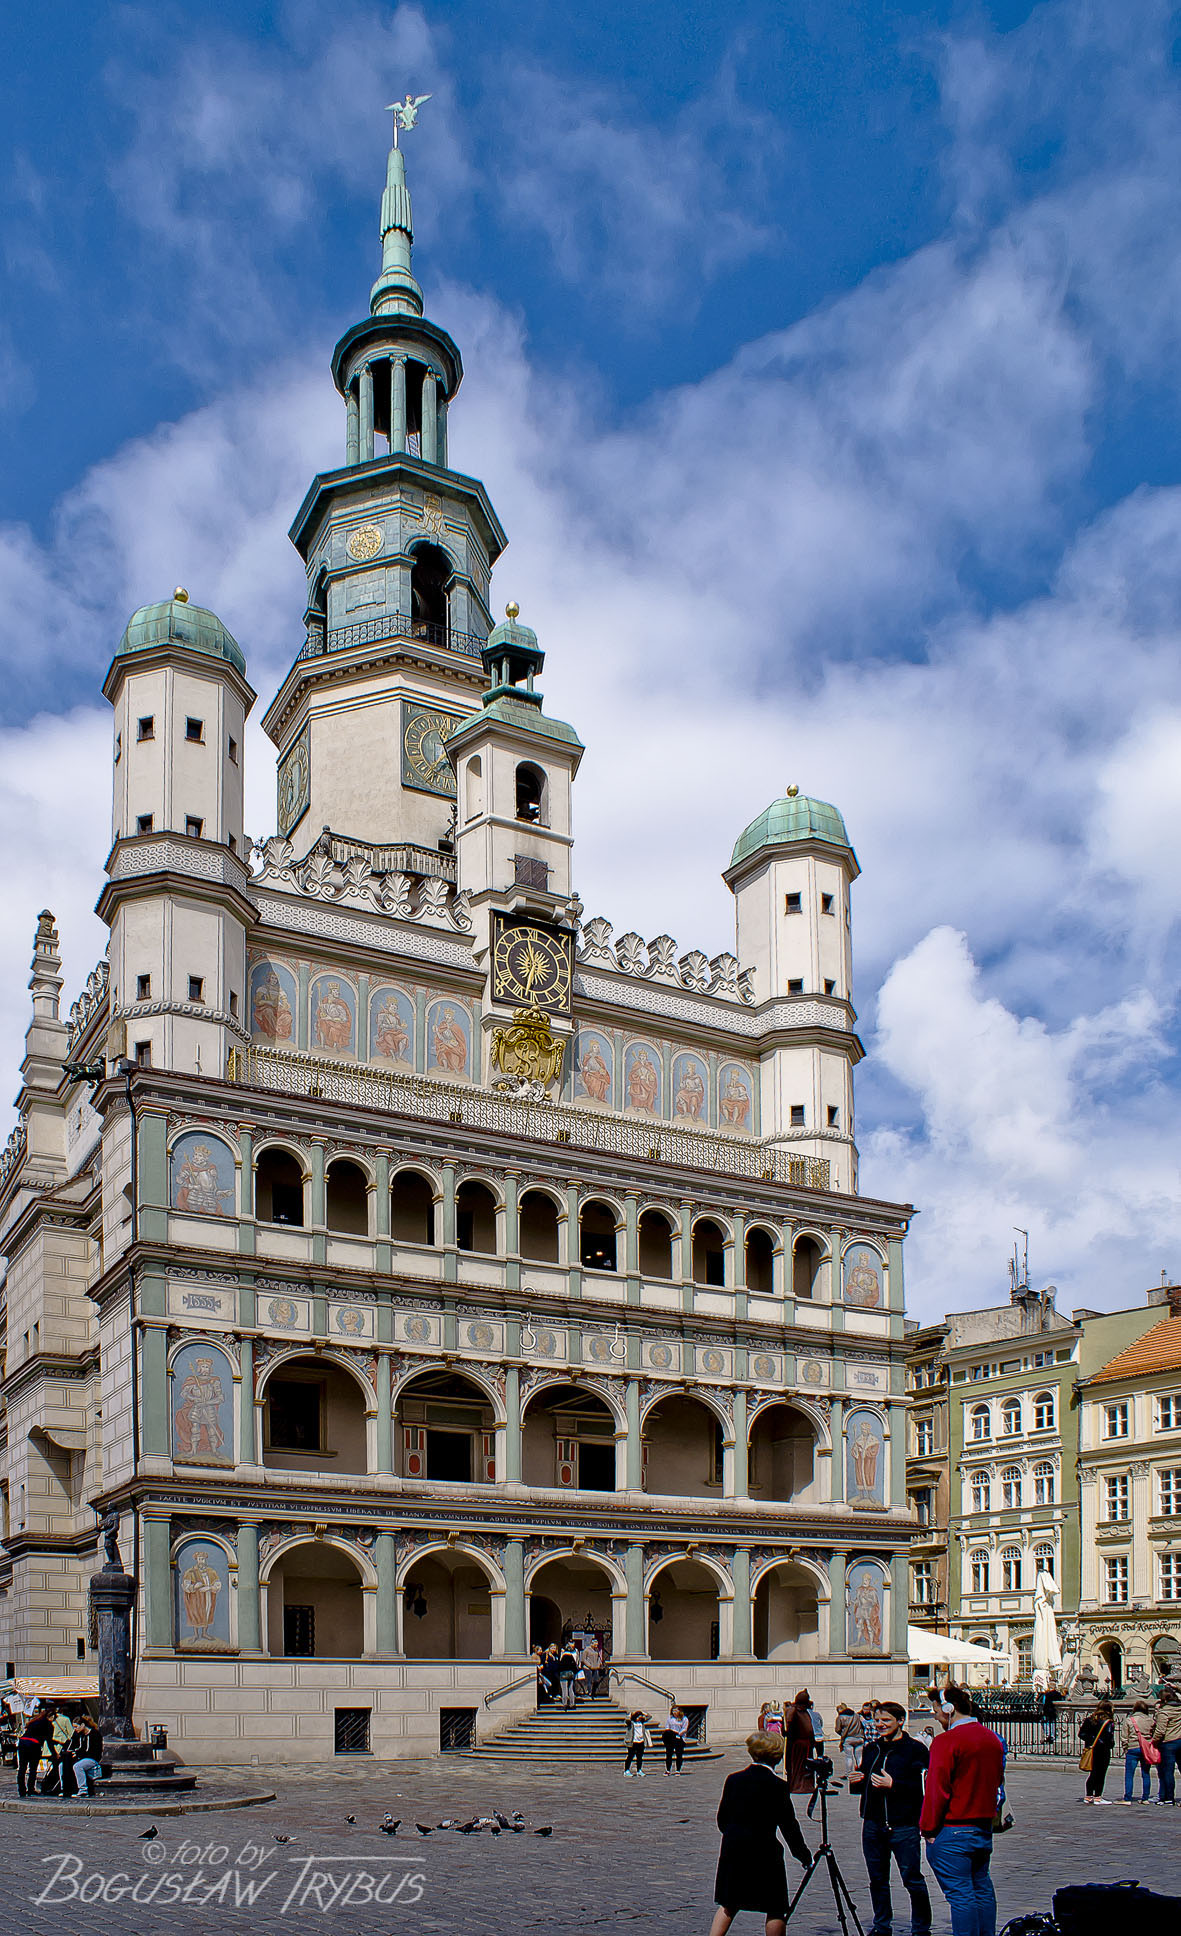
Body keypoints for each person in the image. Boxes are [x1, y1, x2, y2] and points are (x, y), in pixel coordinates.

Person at [919, 1682, 1005, 1936]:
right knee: (982, 1889)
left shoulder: (947, 1741)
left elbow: (937, 1789)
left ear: (949, 1708)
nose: (935, 1716)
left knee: (961, 1896)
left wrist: (927, 1828)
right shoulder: (991, 1737)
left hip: (953, 1827)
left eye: (936, 1710)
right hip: (982, 1826)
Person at [709, 1730, 812, 1936]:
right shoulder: (778, 1786)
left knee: (729, 1903)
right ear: (778, 1756)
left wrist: (734, 1835)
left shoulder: (733, 1779)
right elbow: (789, 1826)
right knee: (775, 1907)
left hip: (734, 1849)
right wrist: (803, 1856)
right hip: (764, 1852)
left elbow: (722, 1819)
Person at [850, 1701, 932, 1936]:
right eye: (877, 1720)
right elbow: (867, 1781)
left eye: (886, 1720)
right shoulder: (872, 1748)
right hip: (873, 1823)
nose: (880, 1725)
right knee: (877, 1880)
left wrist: (894, 1784)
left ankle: (921, 1928)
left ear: (900, 1721)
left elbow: (923, 1787)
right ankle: (882, 1925)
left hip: (903, 1825)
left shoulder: (915, 1749)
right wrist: (858, 1780)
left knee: (912, 1879)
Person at [16, 1702, 58, 1800]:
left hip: (23, 1743)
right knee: (32, 1769)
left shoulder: (35, 1721)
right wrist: (55, 1754)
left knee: (22, 1768)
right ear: (51, 1717)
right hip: (33, 1745)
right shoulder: (49, 1725)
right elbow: (49, 1741)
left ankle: (21, 1790)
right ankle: (31, 1789)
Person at [1117, 1699, 1155, 1805]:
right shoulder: (1150, 1720)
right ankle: (1145, 1798)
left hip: (1133, 1748)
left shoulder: (1129, 1720)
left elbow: (1124, 1737)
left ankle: (1127, 1798)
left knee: (1129, 1774)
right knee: (1146, 1773)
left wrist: (1126, 1748)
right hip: (1146, 1749)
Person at [1149, 1686, 1181, 1803]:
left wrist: (1154, 1741)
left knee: (1168, 1771)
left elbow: (1160, 1731)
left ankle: (1169, 1797)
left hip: (1168, 1743)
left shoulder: (1164, 1712)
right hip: (1180, 1740)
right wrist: (1177, 1688)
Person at [1079, 1699, 1114, 1804]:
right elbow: (1109, 1737)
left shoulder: (1090, 1719)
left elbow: (1081, 1734)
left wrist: (1092, 1740)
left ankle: (1088, 1795)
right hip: (1103, 1750)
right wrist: (1105, 1743)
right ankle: (1098, 1796)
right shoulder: (1108, 1722)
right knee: (1101, 1774)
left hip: (1091, 1748)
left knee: (1093, 1773)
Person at [784, 1688, 816, 1794]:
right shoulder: (794, 1711)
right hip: (797, 1745)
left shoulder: (805, 1712)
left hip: (806, 1744)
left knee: (806, 1766)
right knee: (798, 1766)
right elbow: (789, 1724)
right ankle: (797, 1786)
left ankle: (806, 1785)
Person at [67, 1716, 104, 1801]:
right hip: (83, 1758)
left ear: (83, 1725)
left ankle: (83, 1790)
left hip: (92, 1758)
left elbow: (92, 1751)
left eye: (76, 1727)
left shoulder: (94, 1734)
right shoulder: (80, 1735)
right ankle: (65, 1788)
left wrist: (78, 1753)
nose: (75, 1729)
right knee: (63, 1765)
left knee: (77, 1766)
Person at [663, 1705, 690, 1775]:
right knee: (669, 1754)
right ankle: (668, 1770)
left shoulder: (684, 1719)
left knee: (679, 1754)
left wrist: (678, 1734)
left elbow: (684, 1728)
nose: (674, 1712)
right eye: (673, 1711)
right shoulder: (670, 1718)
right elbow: (667, 1727)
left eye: (676, 1711)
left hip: (679, 1737)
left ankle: (678, 1770)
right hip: (671, 1737)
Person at [623, 1710, 649, 1777]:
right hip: (633, 1741)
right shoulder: (631, 1723)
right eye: (638, 1717)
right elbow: (627, 1720)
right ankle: (626, 1770)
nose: (639, 1719)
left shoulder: (641, 1722)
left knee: (639, 1757)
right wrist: (630, 1715)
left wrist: (644, 1713)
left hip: (641, 1741)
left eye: (640, 1717)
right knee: (630, 1756)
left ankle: (639, 1770)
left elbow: (649, 1717)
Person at [836, 1702, 860, 1774]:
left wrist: (842, 1733)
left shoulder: (840, 1717)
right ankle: (861, 1771)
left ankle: (849, 1773)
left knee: (849, 1757)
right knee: (859, 1757)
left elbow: (837, 1729)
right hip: (859, 1737)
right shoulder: (857, 1715)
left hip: (848, 1738)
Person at [1039, 1683, 1063, 1748]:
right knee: (1053, 1722)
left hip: (1048, 1710)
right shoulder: (1058, 1694)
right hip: (1055, 1710)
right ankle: (1053, 1735)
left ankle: (1047, 1734)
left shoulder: (1047, 1694)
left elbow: (1044, 1703)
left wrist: (1043, 1710)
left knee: (1046, 1722)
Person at [557, 1640, 580, 1709]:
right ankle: (572, 1704)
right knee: (571, 1689)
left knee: (564, 1690)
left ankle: (565, 1704)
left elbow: (559, 1666)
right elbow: (575, 1667)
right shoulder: (571, 1657)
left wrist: (559, 1674)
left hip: (563, 1674)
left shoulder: (563, 1657)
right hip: (571, 1674)